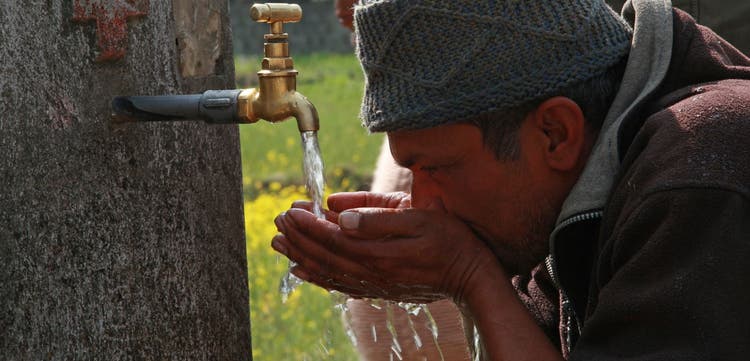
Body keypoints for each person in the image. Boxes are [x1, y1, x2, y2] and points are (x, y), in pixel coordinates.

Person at [275, 0, 750, 359]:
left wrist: (468, 276)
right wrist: (464, 277)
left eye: (436, 169)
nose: (423, 203)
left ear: (554, 133)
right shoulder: (575, 197)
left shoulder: (700, 169)